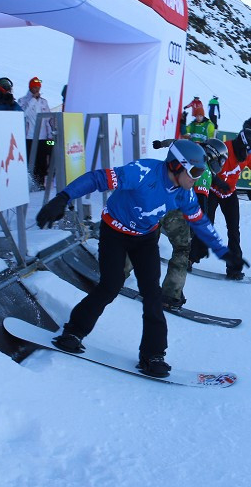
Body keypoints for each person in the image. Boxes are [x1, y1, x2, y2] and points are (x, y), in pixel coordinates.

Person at [35, 140, 239, 376]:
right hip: (114, 233)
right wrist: (63, 197)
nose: (197, 177)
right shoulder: (141, 172)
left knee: (152, 294)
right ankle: (73, 331)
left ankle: (153, 355)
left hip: (145, 240)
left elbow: (199, 220)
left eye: (201, 172)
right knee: (110, 285)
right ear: (175, 166)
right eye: (194, 172)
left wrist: (221, 251)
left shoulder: (184, 193)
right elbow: (97, 178)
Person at [128, 138, 228, 311]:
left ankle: (118, 272)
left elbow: (175, 142)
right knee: (182, 249)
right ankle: (170, 294)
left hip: (156, 199)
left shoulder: (192, 150)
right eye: (221, 161)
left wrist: (160, 144)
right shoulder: (203, 172)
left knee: (143, 239)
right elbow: (202, 201)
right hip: (176, 211)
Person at [190, 129, 251, 280]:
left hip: (229, 194)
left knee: (234, 230)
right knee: (207, 225)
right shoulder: (224, 149)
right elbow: (205, 167)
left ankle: (234, 267)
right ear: (242, 144)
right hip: (213, 192)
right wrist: (218, 182)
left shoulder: (246, 156)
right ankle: (190, 257)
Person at [18, 76, 54, 189]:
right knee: (30, 160)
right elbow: (23, 114)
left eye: (38, 87)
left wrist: (50, 136)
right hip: (29, 136)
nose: (37, 89)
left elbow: (48, 119)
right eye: (35, 87)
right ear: (30, 88)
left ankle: (40, 182)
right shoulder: (23, 100)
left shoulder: (44, 102)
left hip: (44, 138)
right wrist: (33, 100)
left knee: (42, 160)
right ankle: (31, 182)